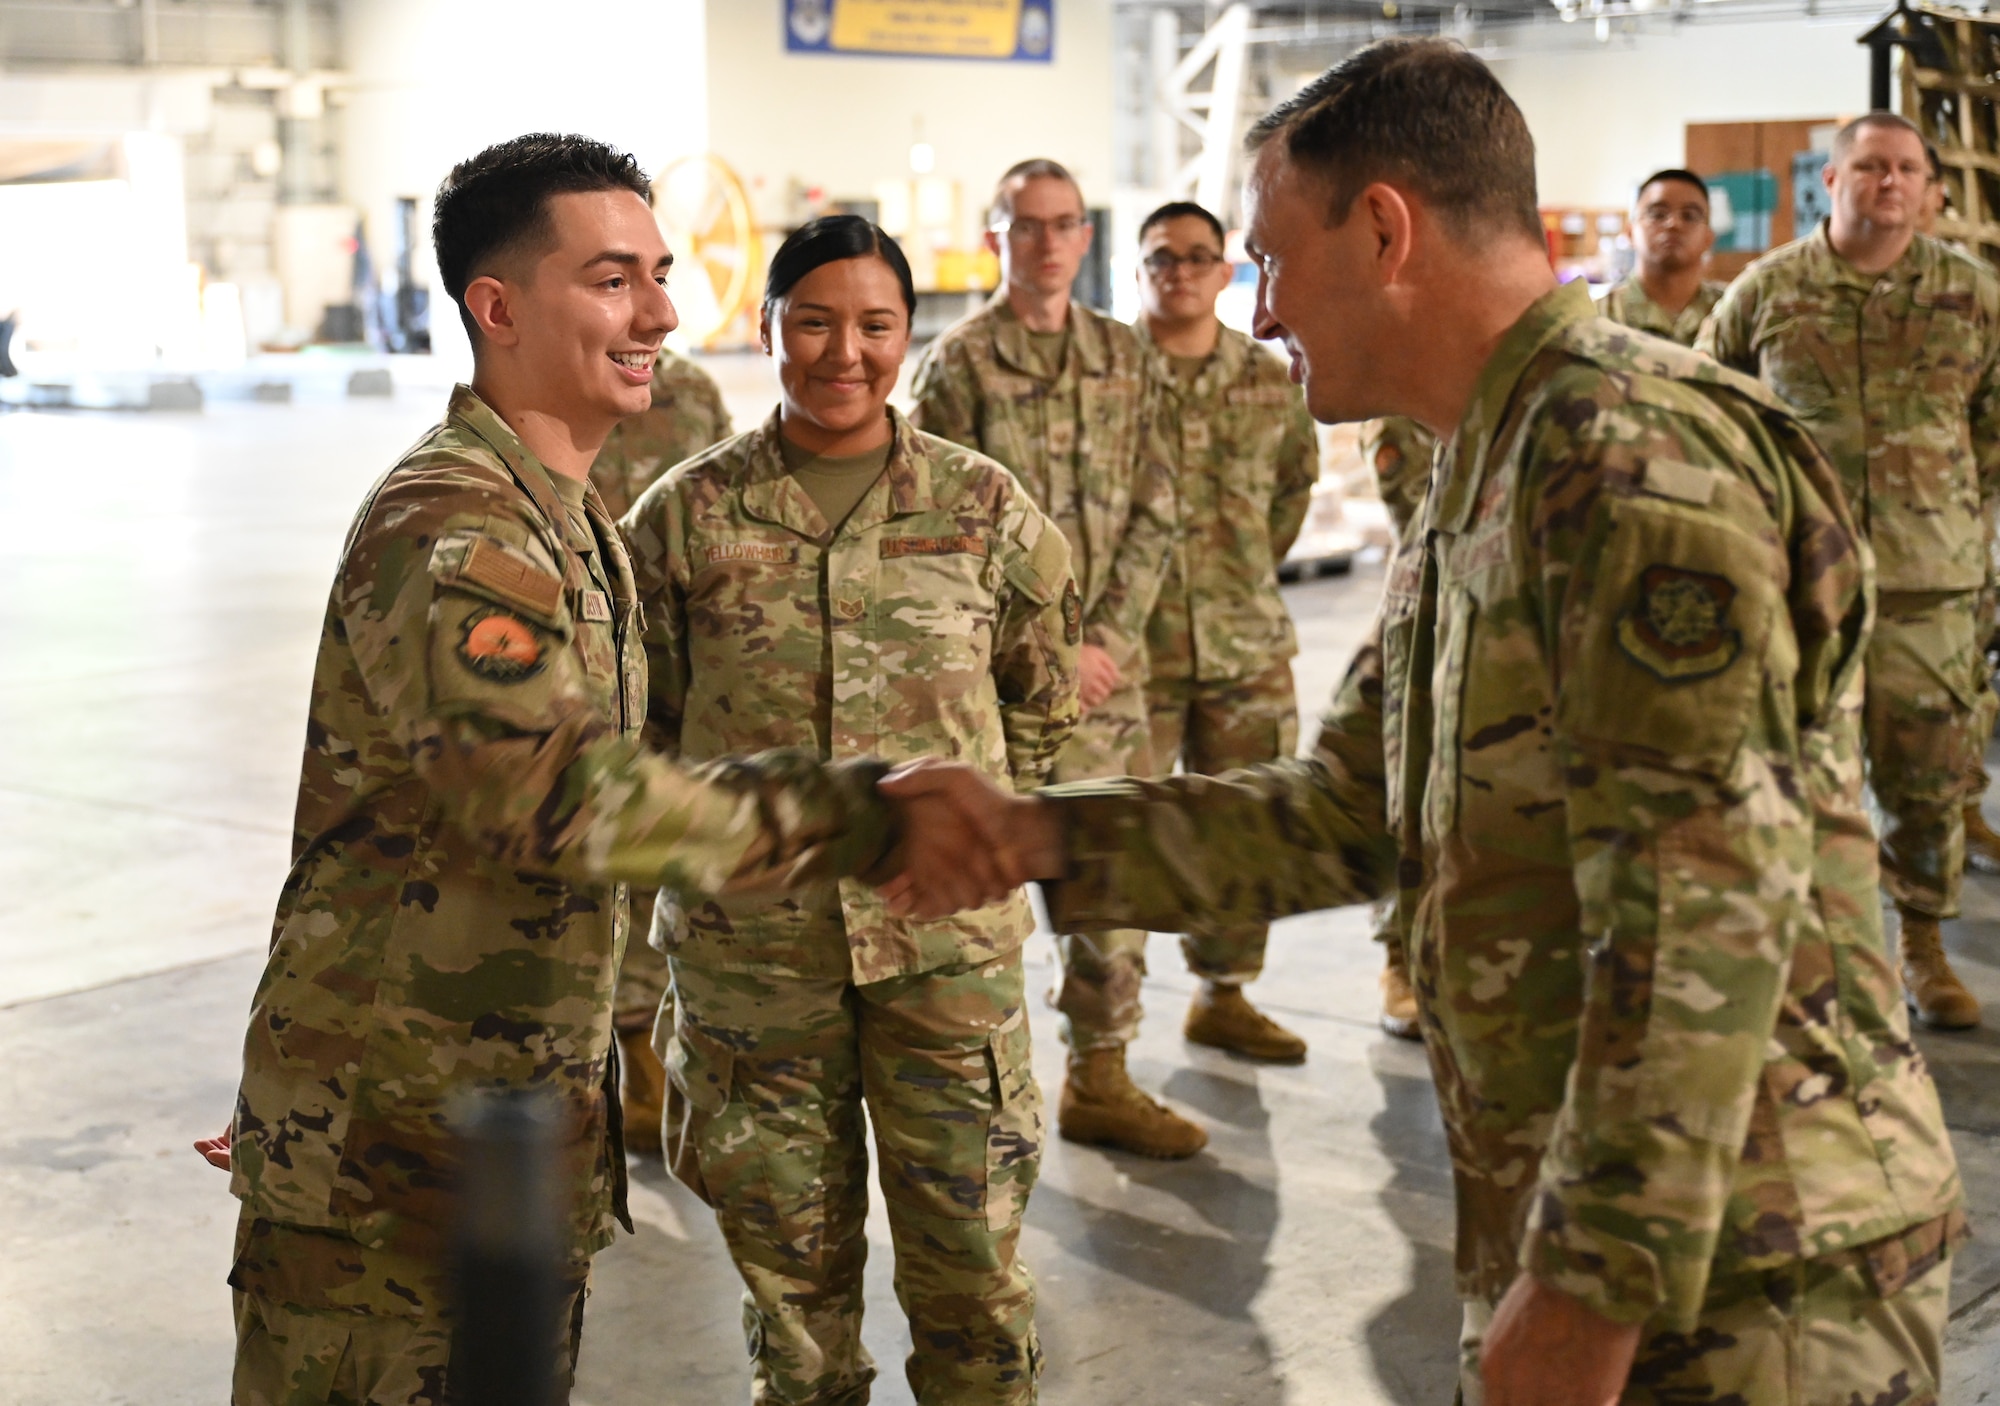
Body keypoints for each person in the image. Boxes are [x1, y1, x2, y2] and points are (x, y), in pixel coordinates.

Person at [883, 39, 1966, 1406]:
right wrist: (1031, 832)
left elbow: (1705, 905)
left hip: (1746, 1272)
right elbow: (1341, 806)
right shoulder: (1490, 467)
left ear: (1385, 229)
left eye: (1271, 259)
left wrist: (1590, 1284)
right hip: (1604, 1228)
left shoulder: (1629, 463)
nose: (1261, 311)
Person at [206, 135, 1000, 1406]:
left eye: (661, 275)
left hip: (500, 1127)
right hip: (389, 1150)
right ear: (499, 306)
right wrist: (856, 814)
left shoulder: (568, 522)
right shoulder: (456, 524)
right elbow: (555, 795)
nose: (662, 314)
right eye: (614, 280)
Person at [620, 214, 1078, 1406]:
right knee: (792, 1296)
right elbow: (638, 738)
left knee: (973, 1275)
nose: (843, 352)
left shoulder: (984, 508)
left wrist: (986, 849)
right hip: (752, 966)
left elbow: (1039, 695)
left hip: (945, 960)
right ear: (764, 327)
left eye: (874, 325)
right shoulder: (683, 517)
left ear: (906, 337)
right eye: (812, 321)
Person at [909, 159, 1193, 1157]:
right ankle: (976, 1098)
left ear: (1084, 236)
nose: (1044, 242)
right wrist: (1036, 654)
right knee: (977, 900)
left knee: (1110, 883)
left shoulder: (1126, 355)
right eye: (1024, 225)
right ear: (997, 236)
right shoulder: (956, 365)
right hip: (990, 689)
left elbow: (1161, 503)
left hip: (1106, 681)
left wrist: (1103, 639)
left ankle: (1102, 1074)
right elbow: (931, 532)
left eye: (1062, 224)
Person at [1701, 110, 2000, 1031]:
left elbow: (1992, 423)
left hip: (1929, 585)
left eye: (1908, 169)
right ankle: (1805, 958)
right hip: (1800, 586)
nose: (1891, 183)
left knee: (1926, 777)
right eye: (1870, 167)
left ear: (1930, 186)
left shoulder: (1973, 294)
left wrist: (1947, 503)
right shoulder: (1768, 291)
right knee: (1792, 777)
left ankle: (1921, 946)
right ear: (1830, 183)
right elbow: (1712, 409)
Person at [1130, 199, 1319, 1062]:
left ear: (1224, 271)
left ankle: (1225, 993)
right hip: (1130, 653)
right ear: (1140, 270)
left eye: (1198, 256)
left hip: (1245, 644)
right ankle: (1102, 1047)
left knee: (1247, 828)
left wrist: (1236, 574)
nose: (1180, 270)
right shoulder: (1106, 376)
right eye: (1162, 257)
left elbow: (1291, 493)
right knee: (1119, 836)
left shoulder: (1267, 377)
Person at [585, 345, 735, 1154]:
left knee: (654, 871)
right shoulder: (544, 386)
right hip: (577, 669)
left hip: (670, 661)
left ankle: (644, 1063)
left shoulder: (691, 392)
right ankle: (612, 1061)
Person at [1355, 414, 1433, 1041]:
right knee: (1403, 787)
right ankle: (1401, 953)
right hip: (1427, 608)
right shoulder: (1402, 410)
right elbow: (1422, 524)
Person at [1596, 168, 1728, 346]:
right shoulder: (1596, 317)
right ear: (1630, 232)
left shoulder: (1732, 311)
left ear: (1708, 238)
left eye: (1689, 216)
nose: (1673, 224)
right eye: (1657, 214)